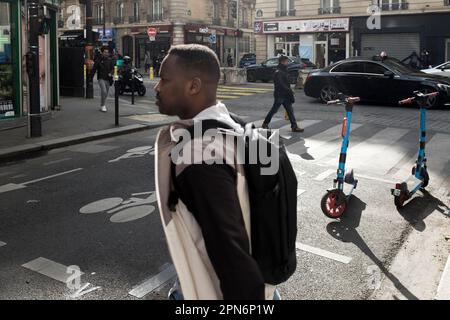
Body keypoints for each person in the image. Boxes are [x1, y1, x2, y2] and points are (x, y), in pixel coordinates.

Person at [153, 44, 275, 300]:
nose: (156, 87)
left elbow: (231, 253)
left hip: (210, 290)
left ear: (193, 86)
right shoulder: (234, 124)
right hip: (264, 281)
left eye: (164, 79)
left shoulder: (199, 154)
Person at [261, 55, 303, 132]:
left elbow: (285, 82)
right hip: (280, 95)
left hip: (285, 95)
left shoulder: (284, 70)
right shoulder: (279, 72)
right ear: (282, 62)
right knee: (274, 110)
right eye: (287, 61)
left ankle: (294, 126)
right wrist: (289, 90)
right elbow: (281, 84)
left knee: (290, 111)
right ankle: (265, 123)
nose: (288, 63)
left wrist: (289, 90)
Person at [91, 46, 114, 112]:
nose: (106, 53)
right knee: (104, 91)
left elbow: (112, 68)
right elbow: (94, 69)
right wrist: (90, 79)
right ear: (102, 52)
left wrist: (111, 73)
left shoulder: (110, 60)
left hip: (108, 78)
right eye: (105, 52)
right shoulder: (98, 60)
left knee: (105, 93)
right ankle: (103, 106)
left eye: (107, 52)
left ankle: (102, 105)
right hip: (101, 78)